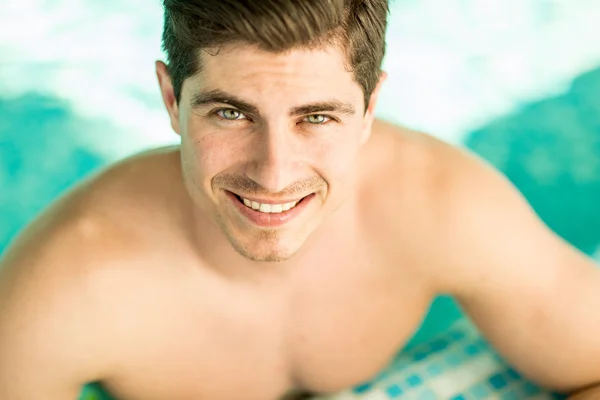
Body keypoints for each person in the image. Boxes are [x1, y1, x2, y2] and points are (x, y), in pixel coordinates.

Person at [1, 1, 599, 399]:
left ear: (369, 111)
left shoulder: (439, 206)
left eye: (316, 116)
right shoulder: (66, 290)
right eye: (231, 113)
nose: (274, 171)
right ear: (169, 99)